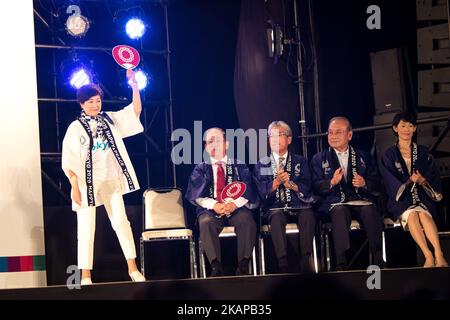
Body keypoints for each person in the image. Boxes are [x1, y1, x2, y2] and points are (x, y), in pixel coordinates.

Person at [62, 69, 146, 285]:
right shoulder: (75, 127)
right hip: (86, 183)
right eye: (90, 102)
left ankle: (133, 269)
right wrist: (74, 186)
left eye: (97, 101)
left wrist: (134, 84)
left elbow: (135, 111)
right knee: (86, 227)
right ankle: (86, 275)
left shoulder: (110, 119)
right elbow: (69, 159)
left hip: (111, 181)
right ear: (81, 104)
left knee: (121, 222)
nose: (95, 105)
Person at [310, 117, 383, 270]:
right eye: (330, 132)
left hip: (360, 200)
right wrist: (331, 182)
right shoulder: (319, 159)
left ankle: (378, 259)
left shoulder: (363, 156)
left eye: (338, 132)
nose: (333, 136)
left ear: (349, 135)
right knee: (339, 211)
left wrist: (365, 183)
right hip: (335, 202)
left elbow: (377, 181)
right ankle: (341, 262)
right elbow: (315, 186)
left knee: (370, 210)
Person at [185, 128, 257, 277]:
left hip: (236, 208)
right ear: (205, 147)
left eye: (218, 140)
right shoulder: (201, 168)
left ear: (227, 144)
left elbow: (248, 190)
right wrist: (215, 205)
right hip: (211, 210)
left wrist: (234, 204)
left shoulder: (239, 165)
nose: (214, 145)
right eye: (210, 142)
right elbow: (197, 195)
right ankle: (216, 266)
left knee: (247, 220)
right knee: (205, 222)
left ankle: (243, 264)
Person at [380, 112, 448, 268]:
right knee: (412, 214)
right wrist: (410, 180)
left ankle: (439, 253)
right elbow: (390, 182)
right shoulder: (389, 155)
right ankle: (428, 255)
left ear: (415, 128)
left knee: (423, 214)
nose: (407, 129)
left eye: (410, 126)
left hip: (422, 197)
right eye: (403, 126)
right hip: (401, 200)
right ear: (395, 128)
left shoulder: (423, 152)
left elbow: (433, 177)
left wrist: (423, 181)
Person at [253, 121, 316, 273]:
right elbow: (260, 191)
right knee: (276, 216)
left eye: (279, 135)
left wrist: (291, 184)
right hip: (275, 206)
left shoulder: (300, 161)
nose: (274, 139)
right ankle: (282, 262)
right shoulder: (262, 164)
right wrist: (276, 183)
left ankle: (306, 259)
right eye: (271, 136)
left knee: (308, 214)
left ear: (289, 139)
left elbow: (309, 186)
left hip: (298, 204)